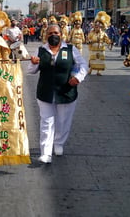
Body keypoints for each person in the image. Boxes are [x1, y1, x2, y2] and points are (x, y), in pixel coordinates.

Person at [28, 24, 88, 164]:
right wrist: (33, 63)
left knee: (63, 121)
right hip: (45, 92)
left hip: (66, 92)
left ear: (61, 35)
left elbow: (83, 65)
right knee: (46, 122)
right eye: (49, 33)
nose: (53, 35)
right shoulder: (41, 50)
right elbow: (31, 71)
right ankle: (46, 153)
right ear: (46, 35)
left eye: (55, 33)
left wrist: (78, 78)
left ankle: (59, 143)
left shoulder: (70, 49)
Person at [87, 11, 112, 76]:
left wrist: (109, 42)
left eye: (98, 27)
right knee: (93, 59)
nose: (96, 28)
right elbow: (88, 39)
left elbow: (107, 40)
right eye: (95, 27)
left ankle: (99, 71)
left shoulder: (103, 34)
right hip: (93, 48)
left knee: (99, 60)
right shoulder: (91, 33)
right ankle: (90, 70)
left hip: (101, 48)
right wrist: (89, 41)